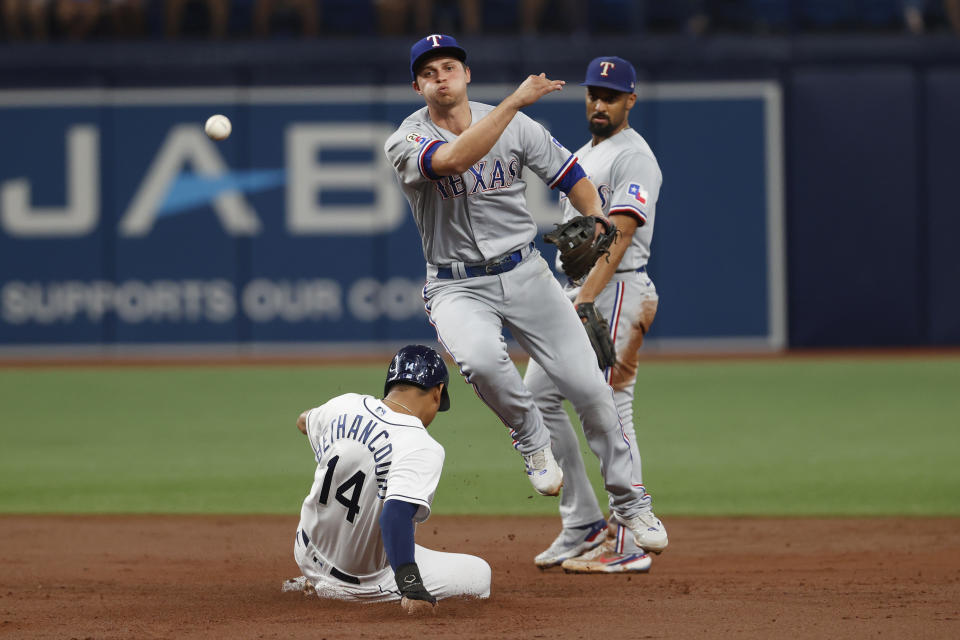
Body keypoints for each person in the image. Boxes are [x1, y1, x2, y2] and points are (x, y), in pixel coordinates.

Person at [383, 35, 667, 555]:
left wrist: (594, 215)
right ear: (418, 86)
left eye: (450, 66)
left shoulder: (519, 126)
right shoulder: (405, 139)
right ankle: (532, 440)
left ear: (466, 75)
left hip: (527, 274)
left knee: (593, 394)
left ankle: (630, 503)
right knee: (484, 362)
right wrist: (513, 101)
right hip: (456, 284)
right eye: (429, 71)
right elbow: (450, 161)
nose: (441, 76)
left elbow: (569, 174)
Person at [525, 56, 664, 574]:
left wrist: (585, 299)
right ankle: (583, 522)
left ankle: (627, 537)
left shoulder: (635, 157)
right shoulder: (583, 155)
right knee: (537, 395)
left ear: (631, 99)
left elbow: (622, 234)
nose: (599, 103)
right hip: (579, 291)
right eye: (593, 94)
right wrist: (575, 294)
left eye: (611, 95)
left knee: (610, 407)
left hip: (619, 290)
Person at [290, 344, 491, 612]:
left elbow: (304, 421)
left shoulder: (344, 404)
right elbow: (394, 515)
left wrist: (321, 419)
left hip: (305, 552)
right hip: (361, 582)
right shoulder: (420, 444)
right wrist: (411, 586)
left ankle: (311, 580)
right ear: (438, 391)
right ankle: (338, 589)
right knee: (480, 574)